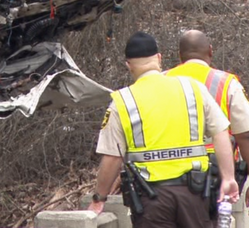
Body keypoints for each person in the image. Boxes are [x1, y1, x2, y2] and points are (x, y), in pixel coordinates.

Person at [89, 32, 240, 227]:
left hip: (152, 201)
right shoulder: (193, 88)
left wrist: (99, 197)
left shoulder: (123, 101)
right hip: (194, 195)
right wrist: (228, 177)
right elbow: (221, 132)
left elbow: (112, 157)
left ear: (128, 65)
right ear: (159, 58)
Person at [166, 30, 249, 216]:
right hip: (213, 171)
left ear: (180, 56)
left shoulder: (161, 80)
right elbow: (247, 135)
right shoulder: (226, 83)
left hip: (167, 170)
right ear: (210, 51)